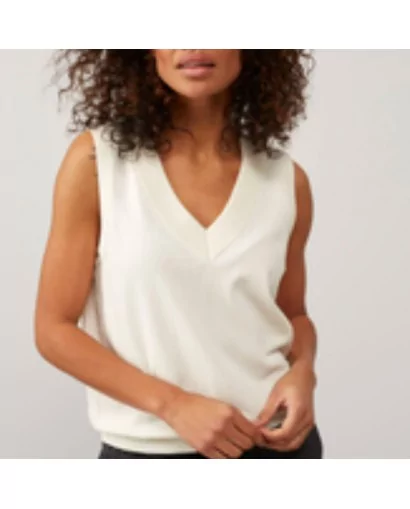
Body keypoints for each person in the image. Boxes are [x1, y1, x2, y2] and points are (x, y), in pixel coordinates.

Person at [34, 49, 323, 459]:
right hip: (149, 453)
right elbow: (53, 329)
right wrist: (173, 405)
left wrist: (303, 373)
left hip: (275, 444)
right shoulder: (98, 162)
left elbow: (293, 316)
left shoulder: (286, 181)